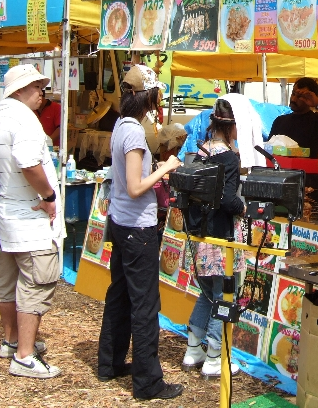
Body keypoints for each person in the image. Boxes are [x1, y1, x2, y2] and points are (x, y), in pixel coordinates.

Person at [97, 64, 184, 401]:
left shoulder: (122, 124)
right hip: (137, 228)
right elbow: (135, 187)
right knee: (145, 304)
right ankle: (148, 382)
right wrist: (165, 168)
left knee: (119, 295)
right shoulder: (133, 132)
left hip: (120, 223)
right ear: (148, 96)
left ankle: (110, 363)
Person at [0, 64, 65, 379]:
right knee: (36, 283)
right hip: (30, 216)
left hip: (9, 212)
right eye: (36, 86)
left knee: (9, 279)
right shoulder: (25, 119)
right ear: (19, 90)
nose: (41, 92)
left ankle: (12, 339)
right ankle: (25, 355)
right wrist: (47, 196)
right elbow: (29, 163)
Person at [182, 99, 246, 379]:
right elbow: (228, 199)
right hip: (223, 237)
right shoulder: (229, 158)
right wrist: (244, 208)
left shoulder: (202, 151)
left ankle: (193, 348)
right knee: (224, 294)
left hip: (200, 234)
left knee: (207, 293)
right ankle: (214, 356)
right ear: (233, 125)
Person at [268, 77, 318, 158]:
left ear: (310, 98)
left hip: (310, 169)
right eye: (293, 94)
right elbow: (269, 148)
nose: (293, 99)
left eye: (300, 96)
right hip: (282, 169)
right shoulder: (280, 121)